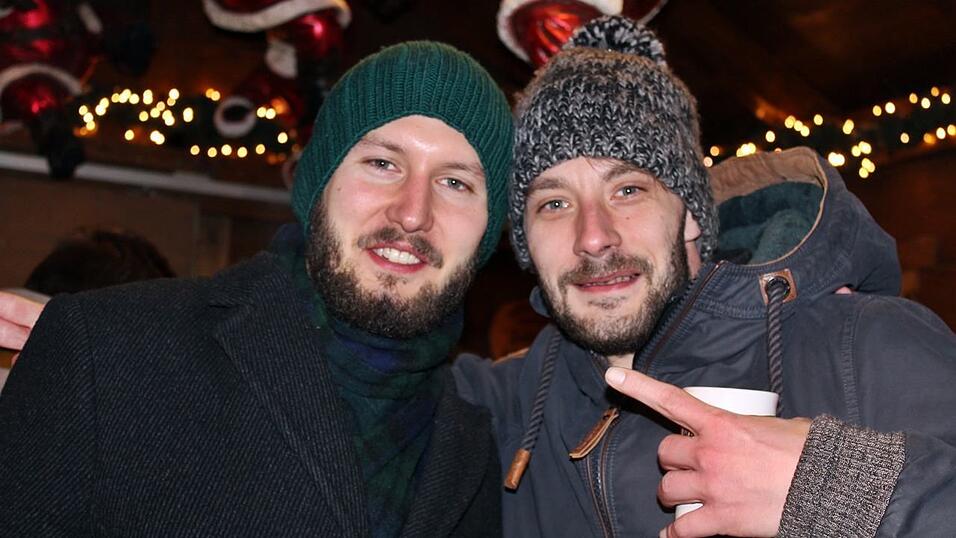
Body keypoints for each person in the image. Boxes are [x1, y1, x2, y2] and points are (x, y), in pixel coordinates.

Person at [453, 16, 956, 537]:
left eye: (628, 190)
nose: (593, 236)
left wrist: (833, 490)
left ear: (691, 214)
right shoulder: (501, 407)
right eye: (554, 203)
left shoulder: (864, 345)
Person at [0, 41, 513, 537]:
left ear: (488, 231)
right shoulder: (107, 354)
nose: (413, 213)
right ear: (319, 183)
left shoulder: (476, 451)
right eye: (382, 164)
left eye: (456, 183)